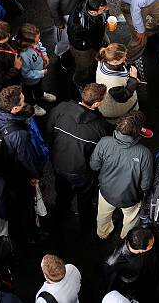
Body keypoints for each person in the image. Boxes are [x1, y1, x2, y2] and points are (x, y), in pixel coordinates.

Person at [46, 83, 111, 231]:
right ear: (96, 103)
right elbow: (100, 154)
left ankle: (58, 220)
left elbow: (49, 130)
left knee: (62, 194)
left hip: (58, 164)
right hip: (82, 172)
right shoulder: (101, 127)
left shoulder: (62, 108)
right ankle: (86, 227)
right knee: (85, 201)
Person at [0, 85, 43, 241]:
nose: (24, 101)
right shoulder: (19, 134)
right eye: (22, 101)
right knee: (25, 207)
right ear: (15, 109)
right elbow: (27, 159)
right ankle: (29, 235)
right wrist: (35, 175)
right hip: (17, 176)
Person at [90, 111, 153, 240]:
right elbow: (145, 185)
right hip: (130, 198)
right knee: (131, 219)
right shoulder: (144, 154)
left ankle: (103, 234)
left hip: (106, 192)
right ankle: (126, 237)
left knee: (102, 215)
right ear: (138, 132)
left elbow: (94, 166)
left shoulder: (104, 142)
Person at [103, 226, 159, 302]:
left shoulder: (147, 235)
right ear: (141, 250)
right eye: (151, 245)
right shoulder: (114, 261)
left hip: (150, 274)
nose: (153, 245)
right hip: (136, 287)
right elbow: (110, 283)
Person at [67, 0, 109, 87]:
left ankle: (94, 69)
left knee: (102, 51)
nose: (106, 9)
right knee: (84, 66)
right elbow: (77, 40)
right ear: (94, 12)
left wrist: (106, 18)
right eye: (103, 10)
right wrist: (96, 47)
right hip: (82, 48)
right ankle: (80, 82)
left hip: (97, 34)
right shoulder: (80, 25)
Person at [16, 23, 56, 116]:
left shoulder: (35, 43)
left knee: (38, 86)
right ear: (28, 42)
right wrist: (41, 72)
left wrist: (44, 55)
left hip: (38, 75)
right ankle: (33, 105)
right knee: (28, 93)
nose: (39, 40)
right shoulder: (24, 55)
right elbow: (26, 73)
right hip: (30, 80)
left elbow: (40, 46)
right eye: (37, 39)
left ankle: (40, 95)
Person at [95, 44, 141, 124]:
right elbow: (123, 97)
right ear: (115, 61)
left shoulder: (104, 59)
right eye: (123, 58)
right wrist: (133, 79)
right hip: (118, 110)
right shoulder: (113, 83)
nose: (126, 59)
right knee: (127, 121)